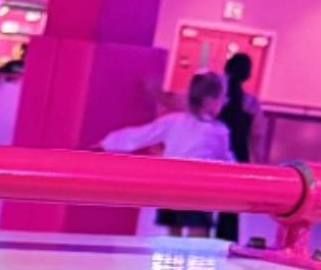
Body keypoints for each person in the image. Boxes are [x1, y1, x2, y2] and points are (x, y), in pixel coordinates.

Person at [98, 69, 233, 236]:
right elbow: (226, 161)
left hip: (172, 185)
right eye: (222, 99)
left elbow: (140, 135)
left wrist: (105, 144)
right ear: (211, 101)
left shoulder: (174, 121)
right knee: (198, 235)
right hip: (200, 189)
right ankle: (195, 260)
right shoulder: (218, 131)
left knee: (173, 234)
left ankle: (172, 259)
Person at [214, 52, 261, 243]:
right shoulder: (250, 103)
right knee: (230, 206)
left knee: (199, 202)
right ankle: (226, 242)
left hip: (212, 151)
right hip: (238, 154)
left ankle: (195, 239)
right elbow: (257, 135)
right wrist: (256, 162)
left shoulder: (214, 97)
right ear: (247, 74)